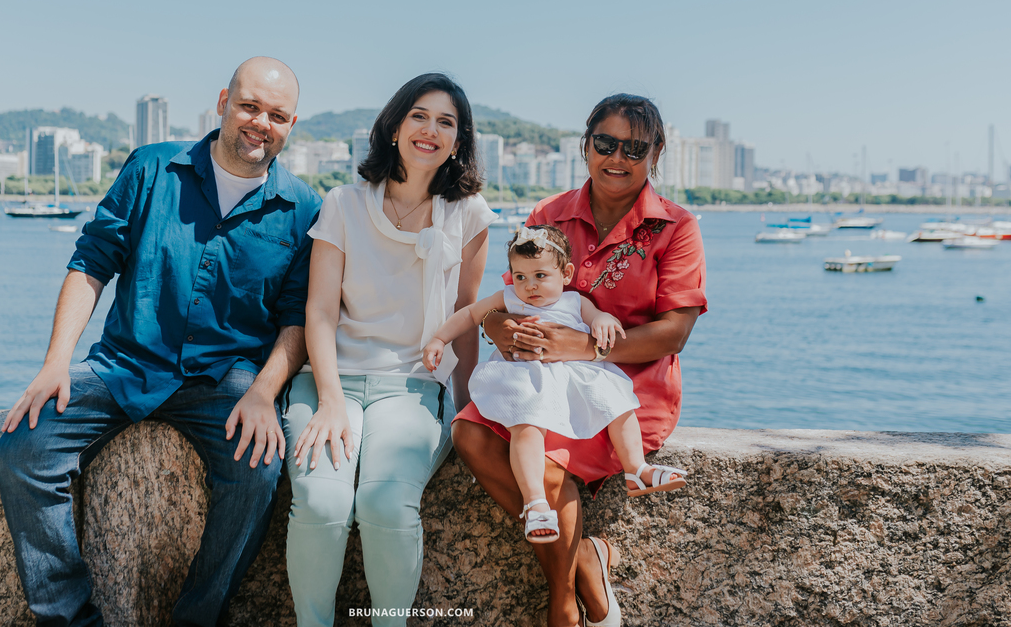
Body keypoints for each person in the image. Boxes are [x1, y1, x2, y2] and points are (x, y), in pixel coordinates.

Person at [0, 57, 321, 627]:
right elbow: (92, 262)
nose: (260, 122)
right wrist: (56, 364)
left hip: (227, 379)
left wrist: (266, 393)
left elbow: (297, 320)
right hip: (124, 364)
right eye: (249, 106)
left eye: (277, 115)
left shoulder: (303, 209)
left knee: (258, 471)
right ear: (222, 101)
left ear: (292, 124)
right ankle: (69, 618)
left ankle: (198, 619)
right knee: (24, 449)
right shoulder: (151, 168)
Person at [452, 94, 707, 627]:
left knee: (544, 468)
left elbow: (675, 332)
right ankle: (588, 563)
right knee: (468, 434)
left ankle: (563, 604)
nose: (618, 157)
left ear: (656, 152)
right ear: (585, 144)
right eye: (605, 143)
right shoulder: (548, 215)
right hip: (538, 377)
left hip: (623, 395)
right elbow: (507, 301)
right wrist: (504, 332)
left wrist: (583, 346)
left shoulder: (675, 227)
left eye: (635, 147)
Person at [284, 72, 495, 627]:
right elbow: (321, 311)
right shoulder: (344, 203)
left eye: (446, 122)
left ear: (459, 139)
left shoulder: (471, 215)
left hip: (414, 387)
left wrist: (469, 404)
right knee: (323, 502)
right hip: (329, 379)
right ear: (395, 126)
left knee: (383, 504)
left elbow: (467, 316)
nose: (430, 130)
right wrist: (329, 398)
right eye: (419, 116)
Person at [423, 224, 687, 545]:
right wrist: (439, 339)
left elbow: (599, 317)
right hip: (526, 378)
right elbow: (469, 314)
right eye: (520, 276)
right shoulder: (508, 298)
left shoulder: (575, 301)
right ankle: (536, 502)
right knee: (527, 426)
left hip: (572, 375)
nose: (529, 286)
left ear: (565, 273)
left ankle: (637, 470)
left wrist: (603, 320)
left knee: (617, 400)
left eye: (540, 276)